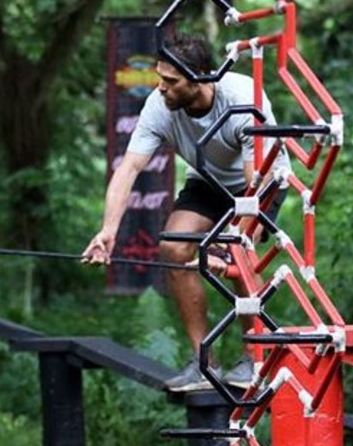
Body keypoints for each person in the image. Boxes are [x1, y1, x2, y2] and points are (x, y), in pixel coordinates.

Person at [81, 33, 289, 392]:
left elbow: (256, 180)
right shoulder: (158, 105)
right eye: (160, 78)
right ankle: (203, 363)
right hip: (208, 180)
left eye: (171, 81)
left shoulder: (242, 97)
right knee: (174, 247)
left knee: (238, 252)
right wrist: (108, 230)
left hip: (261, 179)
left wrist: (234, 237)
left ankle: (254, 356)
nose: (161, 88)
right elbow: (128, 167)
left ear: (201, 78)